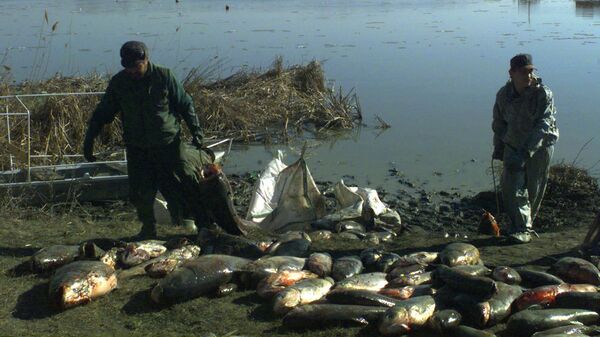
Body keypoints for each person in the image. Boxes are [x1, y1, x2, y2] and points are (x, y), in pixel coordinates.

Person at [83, 41, 247, 239]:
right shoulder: (119, 82)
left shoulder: (164, 76)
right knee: (140, 190)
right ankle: (148, 229)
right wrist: (89, 139)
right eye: (128, 67)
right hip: (137, 147)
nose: (132, 71)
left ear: (145, 60)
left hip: (169, 144)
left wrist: (196, 132)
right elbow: (103, 113)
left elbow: (185, 104)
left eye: (136, 67)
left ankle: (205, 224)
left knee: (188, 180)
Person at [492, 53, 559, 244]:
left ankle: (525, 227)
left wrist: (526, 152)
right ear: (512, 73)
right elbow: (499, 123)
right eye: (523, 72)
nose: (528, 76)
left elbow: (543, 125)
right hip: (514, 142)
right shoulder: (503, 95)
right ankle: (519, 225)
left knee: (533, 186)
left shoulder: (542, 94)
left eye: (530, 72)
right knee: (510, 185)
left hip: (541, 145)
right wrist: (499, 147)